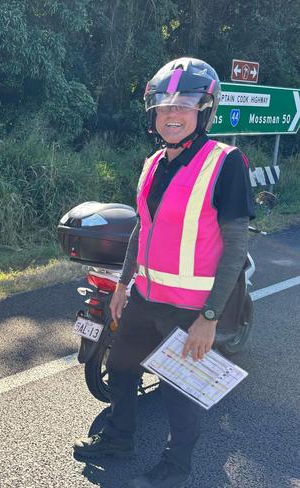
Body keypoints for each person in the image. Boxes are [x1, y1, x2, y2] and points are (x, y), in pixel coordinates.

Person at [72, 58, 255, 488]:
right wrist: (122, 283)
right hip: (145, 297)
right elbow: (143, 225)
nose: (173, 113)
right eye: (164, 104)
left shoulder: (225, 163)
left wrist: (209, 318)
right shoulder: (154, 161)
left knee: (180, 394)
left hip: (190, 308)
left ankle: (175, 471)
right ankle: (119, 439)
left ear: (204, 110)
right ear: (153, 112)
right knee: (120, 367)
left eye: (186, 103)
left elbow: (236, 246)